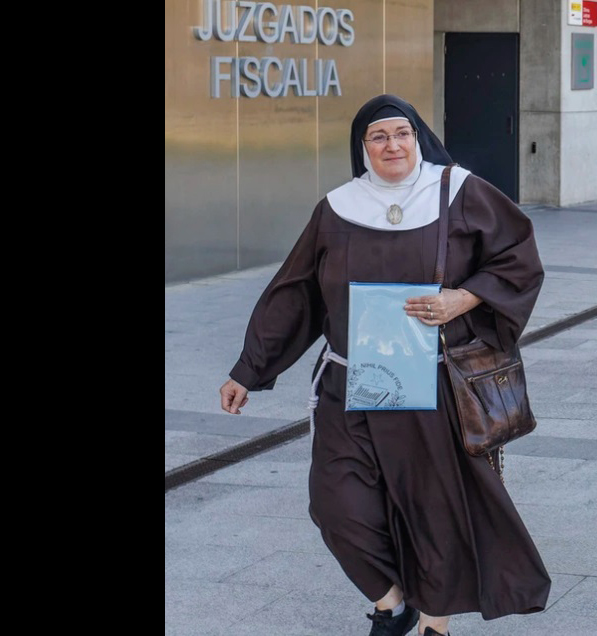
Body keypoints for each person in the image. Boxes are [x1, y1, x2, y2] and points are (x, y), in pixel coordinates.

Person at [217, 94, 550, 636]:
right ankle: (392, 602)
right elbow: (296, 293)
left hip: (431, 383)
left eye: (402, 133)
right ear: (362, 147)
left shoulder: (459, 191)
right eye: (379, 136)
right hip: (350, 383)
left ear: (418, 138)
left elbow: (519, 259)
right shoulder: (337, 208)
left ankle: (434, 624)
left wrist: (462, 299)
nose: (392, 145)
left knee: (433, 508)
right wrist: (248, 369)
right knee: (336, 505)